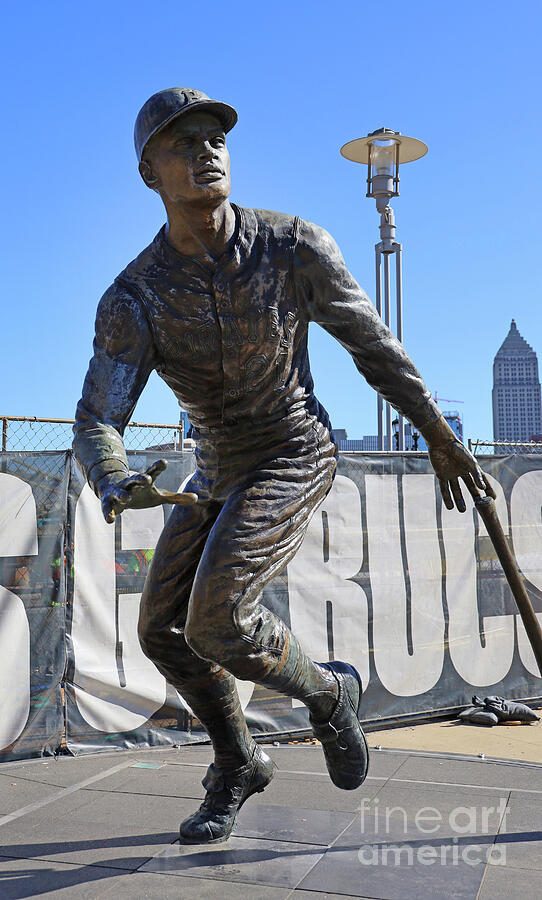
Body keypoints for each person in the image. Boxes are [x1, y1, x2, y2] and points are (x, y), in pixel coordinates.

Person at [73, 87, 494, 844]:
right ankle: (240, 762)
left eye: (216, 137)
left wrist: (436, 431)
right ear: (149, 174)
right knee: (161, 632)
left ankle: (330, 694)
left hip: (294, 448)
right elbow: (99, 415)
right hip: (215, 472)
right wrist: (114, 477)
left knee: (218, 618)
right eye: (183, 141)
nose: (207, 149)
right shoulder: (135, 296)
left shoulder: (293, 246)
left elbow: (373, 345)